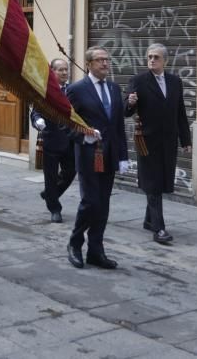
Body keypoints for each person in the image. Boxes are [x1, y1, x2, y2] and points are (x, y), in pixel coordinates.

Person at [65, 46, 128, 270]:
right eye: (100, 60)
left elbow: (118, 124)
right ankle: (74, 243)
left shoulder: (113, 88)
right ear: (89, 64)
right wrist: (84, 136)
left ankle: (96, 250)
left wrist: (123, 155)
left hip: (109, 155)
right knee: (90, 201)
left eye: (107, 60)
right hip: (88, 154)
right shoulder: (77, 89)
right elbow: (66, 122)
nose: (104, 64)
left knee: (103, 204)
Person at [124, 43, 192, 244]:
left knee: (162, 182)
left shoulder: (175, 82)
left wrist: (185, 140)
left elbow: (180, 112)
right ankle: (159, 229)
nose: (152, 60)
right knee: (152, 183)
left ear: (165, 61)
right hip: (146, 141)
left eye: (156, 57)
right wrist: (130, 102)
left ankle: (148, 220)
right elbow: (125, 110)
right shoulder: (139, 81)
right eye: (149, 57)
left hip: (168, 141)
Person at [31, 58, 77, 223]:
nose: (65, 73)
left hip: (70, 140)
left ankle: (50, 194)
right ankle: (55, 208)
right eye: (60, 70)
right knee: (50, 176)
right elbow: (35, 112)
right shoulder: (44, 90)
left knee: (70, 172)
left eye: (66, 70)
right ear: (52, 72)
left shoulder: (73, 90)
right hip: (51, 138)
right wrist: (38, 122)